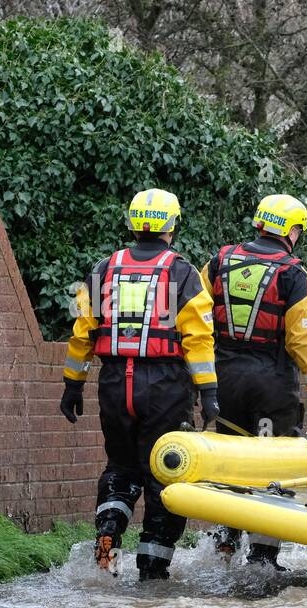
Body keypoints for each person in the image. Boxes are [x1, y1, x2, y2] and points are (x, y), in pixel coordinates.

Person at [59, 188, 217, 580]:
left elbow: (82, 333)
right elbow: (198, 339)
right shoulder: (182, 272)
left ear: (132, 223)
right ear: (172, 226)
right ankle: (152, 571)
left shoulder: (101, 269)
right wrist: (210, 393)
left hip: (114, 385)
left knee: (121, 467)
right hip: (164, 388)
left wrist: (72, 385)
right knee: (165, 474)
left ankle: (108, 543)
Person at [200, 193, 307, 567]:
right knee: (274, 470)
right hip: (271, 385)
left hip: (222, 380)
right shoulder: (293, 274)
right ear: (292, 231)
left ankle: (224, 542)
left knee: (228, 464)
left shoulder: (218, 262)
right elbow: (301, 339)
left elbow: (194, 318)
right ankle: (262, 559)